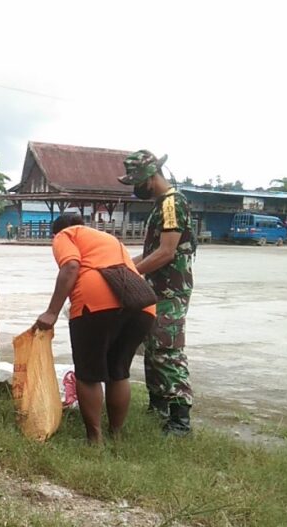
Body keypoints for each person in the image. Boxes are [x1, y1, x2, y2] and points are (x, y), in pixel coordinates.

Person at [34, 214, 156, 443]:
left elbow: (71, 265)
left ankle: (95, 438)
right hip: (142, 304)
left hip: (97, 301)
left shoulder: (65, 234)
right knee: (119, 372)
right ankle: (117, 434)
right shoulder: (108, 239)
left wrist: (51, 312)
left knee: (88, 374)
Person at [120, 150, 197, 436]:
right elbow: (150, 254)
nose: (135, 189)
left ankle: (180, 420)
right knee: (152, 348)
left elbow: (166, 252)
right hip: (156, 289)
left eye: (137, 182)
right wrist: (121, 267)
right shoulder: (162, 203)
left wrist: (129, 274)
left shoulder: (171, 203)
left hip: (170, 290)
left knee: (167, 349)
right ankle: (159, 406)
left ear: (151, 177)